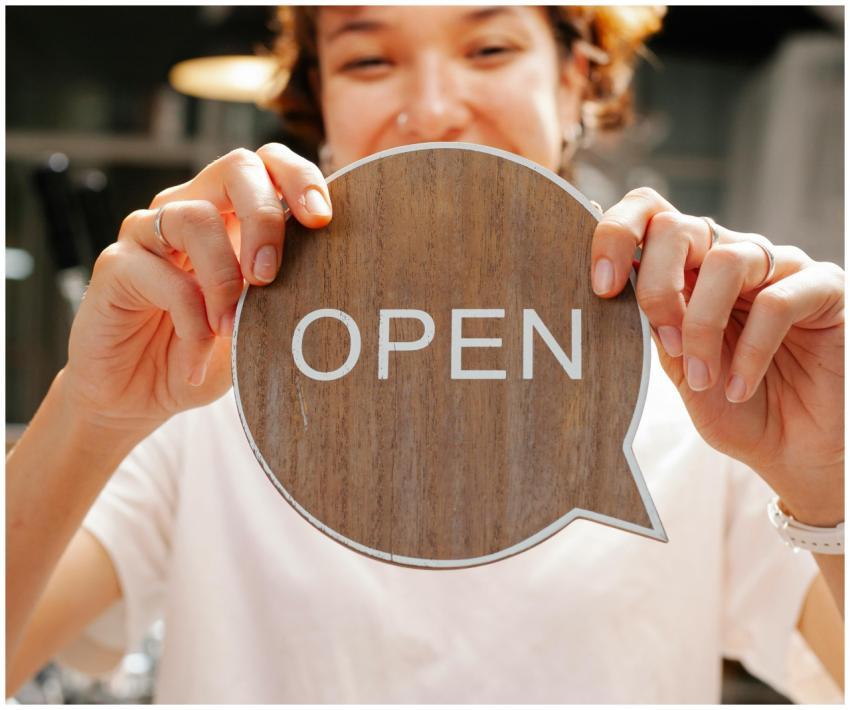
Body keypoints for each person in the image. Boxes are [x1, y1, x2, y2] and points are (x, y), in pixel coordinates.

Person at [6, 6, 844, 703]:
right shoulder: (209, 372)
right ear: (319, 109)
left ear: (574, 80)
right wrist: (91, 409)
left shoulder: (704, 383)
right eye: (370, 61)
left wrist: (829, 475)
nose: (434, 108)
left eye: (489, 48)